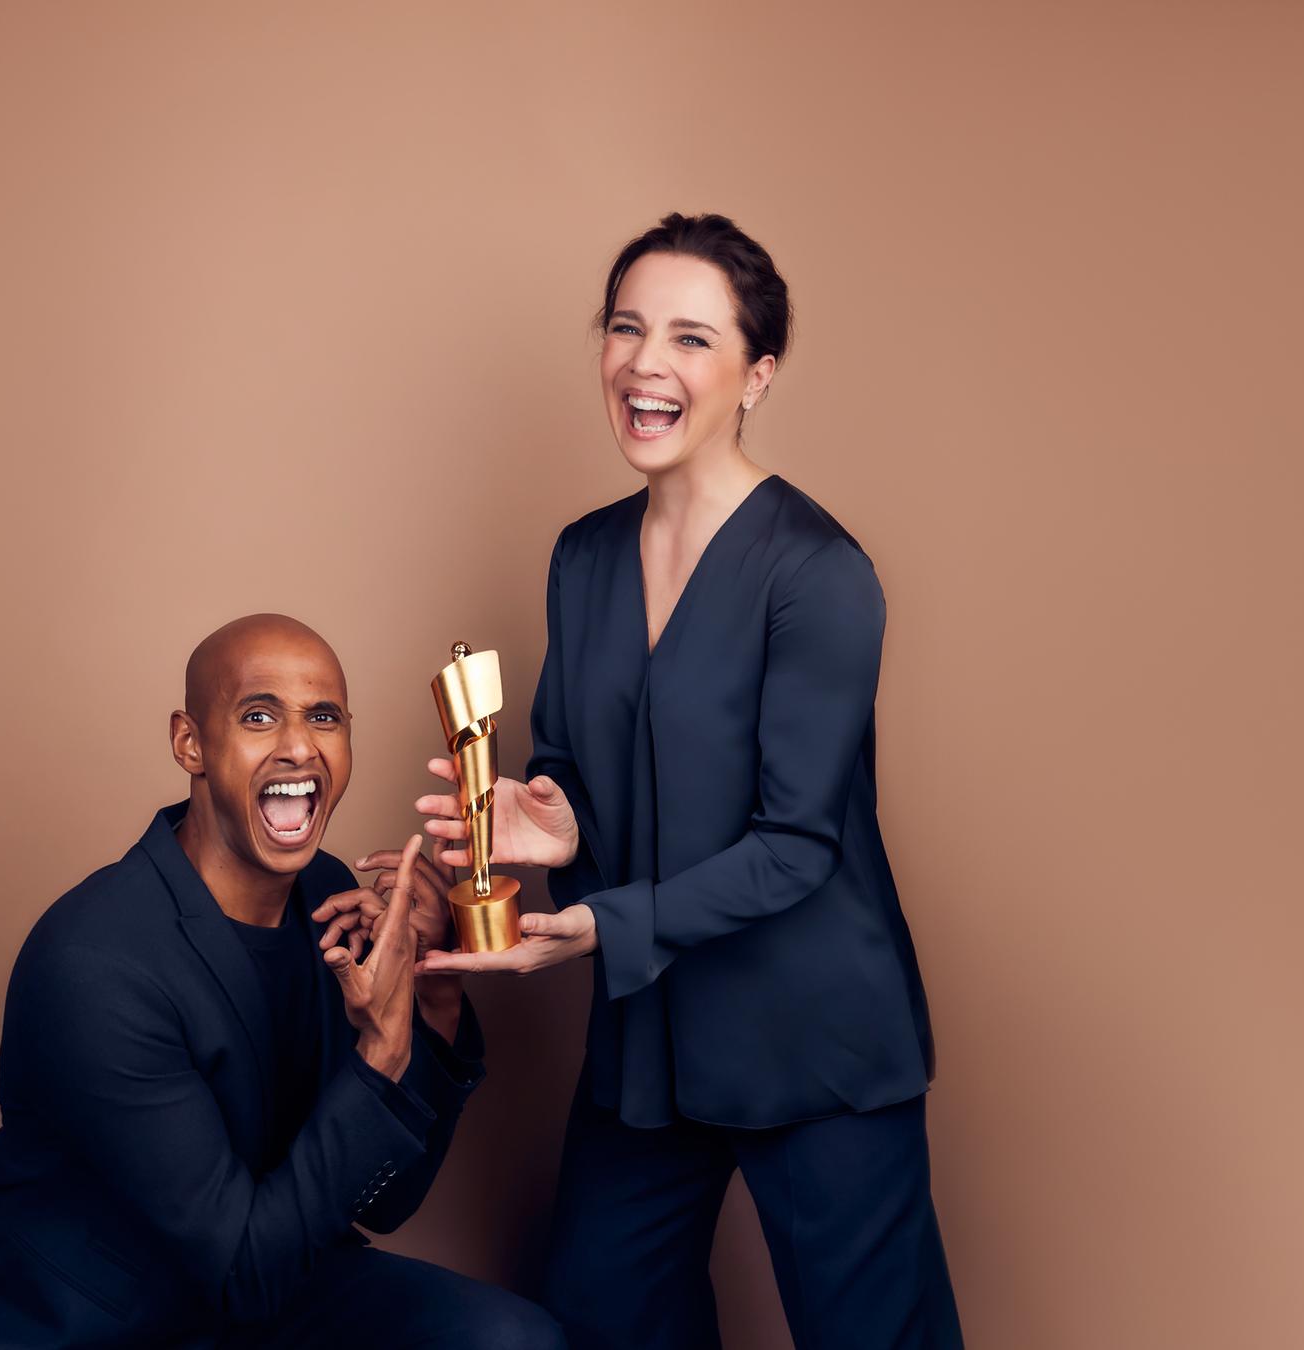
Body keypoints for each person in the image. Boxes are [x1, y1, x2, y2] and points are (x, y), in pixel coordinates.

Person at [416, 215, 962, 1348]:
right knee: (606, 1318)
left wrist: (599, 926)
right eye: (625, 328)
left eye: (690, 337)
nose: (644, 363)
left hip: (815, 1048)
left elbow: (797, 845)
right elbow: (575, 762)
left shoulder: (820, 574)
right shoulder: (583, 554)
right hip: (648, 1049)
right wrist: (549, 821)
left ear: (759, 374)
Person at [0, 614, 563, 1349]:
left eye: (324, 717)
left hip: (264, 1274)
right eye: (259, 715)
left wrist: (432, 996)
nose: (298, 746)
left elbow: (384, 1200)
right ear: (191, 743)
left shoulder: (328, 893)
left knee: (510, 1340)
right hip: (86, 1322)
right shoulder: (94, 961)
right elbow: (242, 1273)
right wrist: (380, 1048)